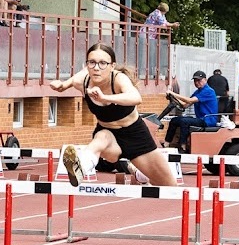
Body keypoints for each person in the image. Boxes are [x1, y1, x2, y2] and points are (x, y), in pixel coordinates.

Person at [49, 43, 177, 187]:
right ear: (87, 65)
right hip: (109, 138)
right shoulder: (83, 81)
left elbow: (136, 98)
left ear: (112, 66)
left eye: (103, 63)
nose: (96, 68)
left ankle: (139, 171)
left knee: (170, 187)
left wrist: (105, 98)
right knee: (101, 137)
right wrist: (63, 85)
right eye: (92, 63)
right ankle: (80, 168)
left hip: (135, 136)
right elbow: (74, 80)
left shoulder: (118, 79)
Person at [164, 70, 219, 152]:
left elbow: (189, 100)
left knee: (184, 121)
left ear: (205, 80)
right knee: (174, 120)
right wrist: (173, 99)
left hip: (208, 120)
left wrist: (173, 93)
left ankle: (182, 146)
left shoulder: (208, 91)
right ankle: (166, 143)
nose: (197, 82)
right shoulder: (198, 92)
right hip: (201, 119)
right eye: (195, 81)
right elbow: (185, 105)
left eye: (199, 80)